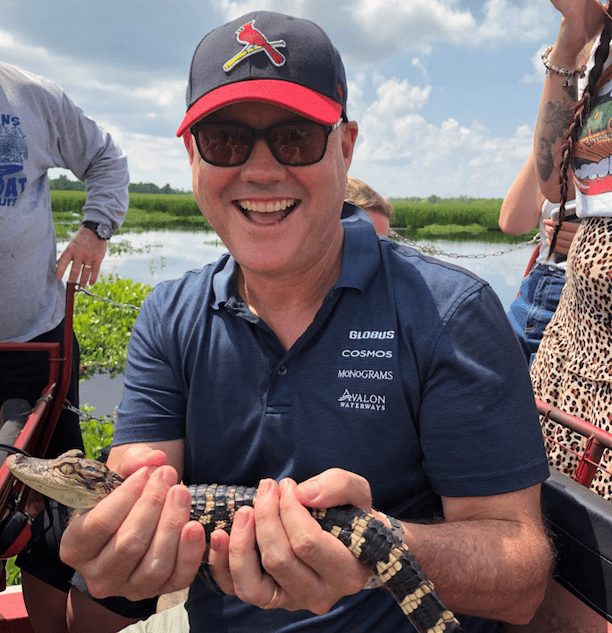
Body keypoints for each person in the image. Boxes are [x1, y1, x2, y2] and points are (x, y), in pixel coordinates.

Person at [60, 11, 552, 633]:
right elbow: (140, 482)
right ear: (192, 156)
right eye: (225, 140)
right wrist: (121, 550)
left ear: (344, 148)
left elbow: (522, 577)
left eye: (295, 138)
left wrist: (373, 547)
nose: (261, 170)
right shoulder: (169, 315)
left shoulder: (452, 312)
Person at [0, 62, 157, 632]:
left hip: (34, 348)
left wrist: (96, 228)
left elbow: (106, 159)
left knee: (57, 505)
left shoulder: (30, 97)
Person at [531, 0, 611, 501]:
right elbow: (551, 179)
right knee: (553, 526)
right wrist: (573, 32)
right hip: (568, 352)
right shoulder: (598, 57)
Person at [499, 152, 579, 364]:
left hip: (593, 300)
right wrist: (550, 137)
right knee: (502, 386)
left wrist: (595, 244)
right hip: (537, 289)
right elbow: (512, 222)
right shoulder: (565, 144)